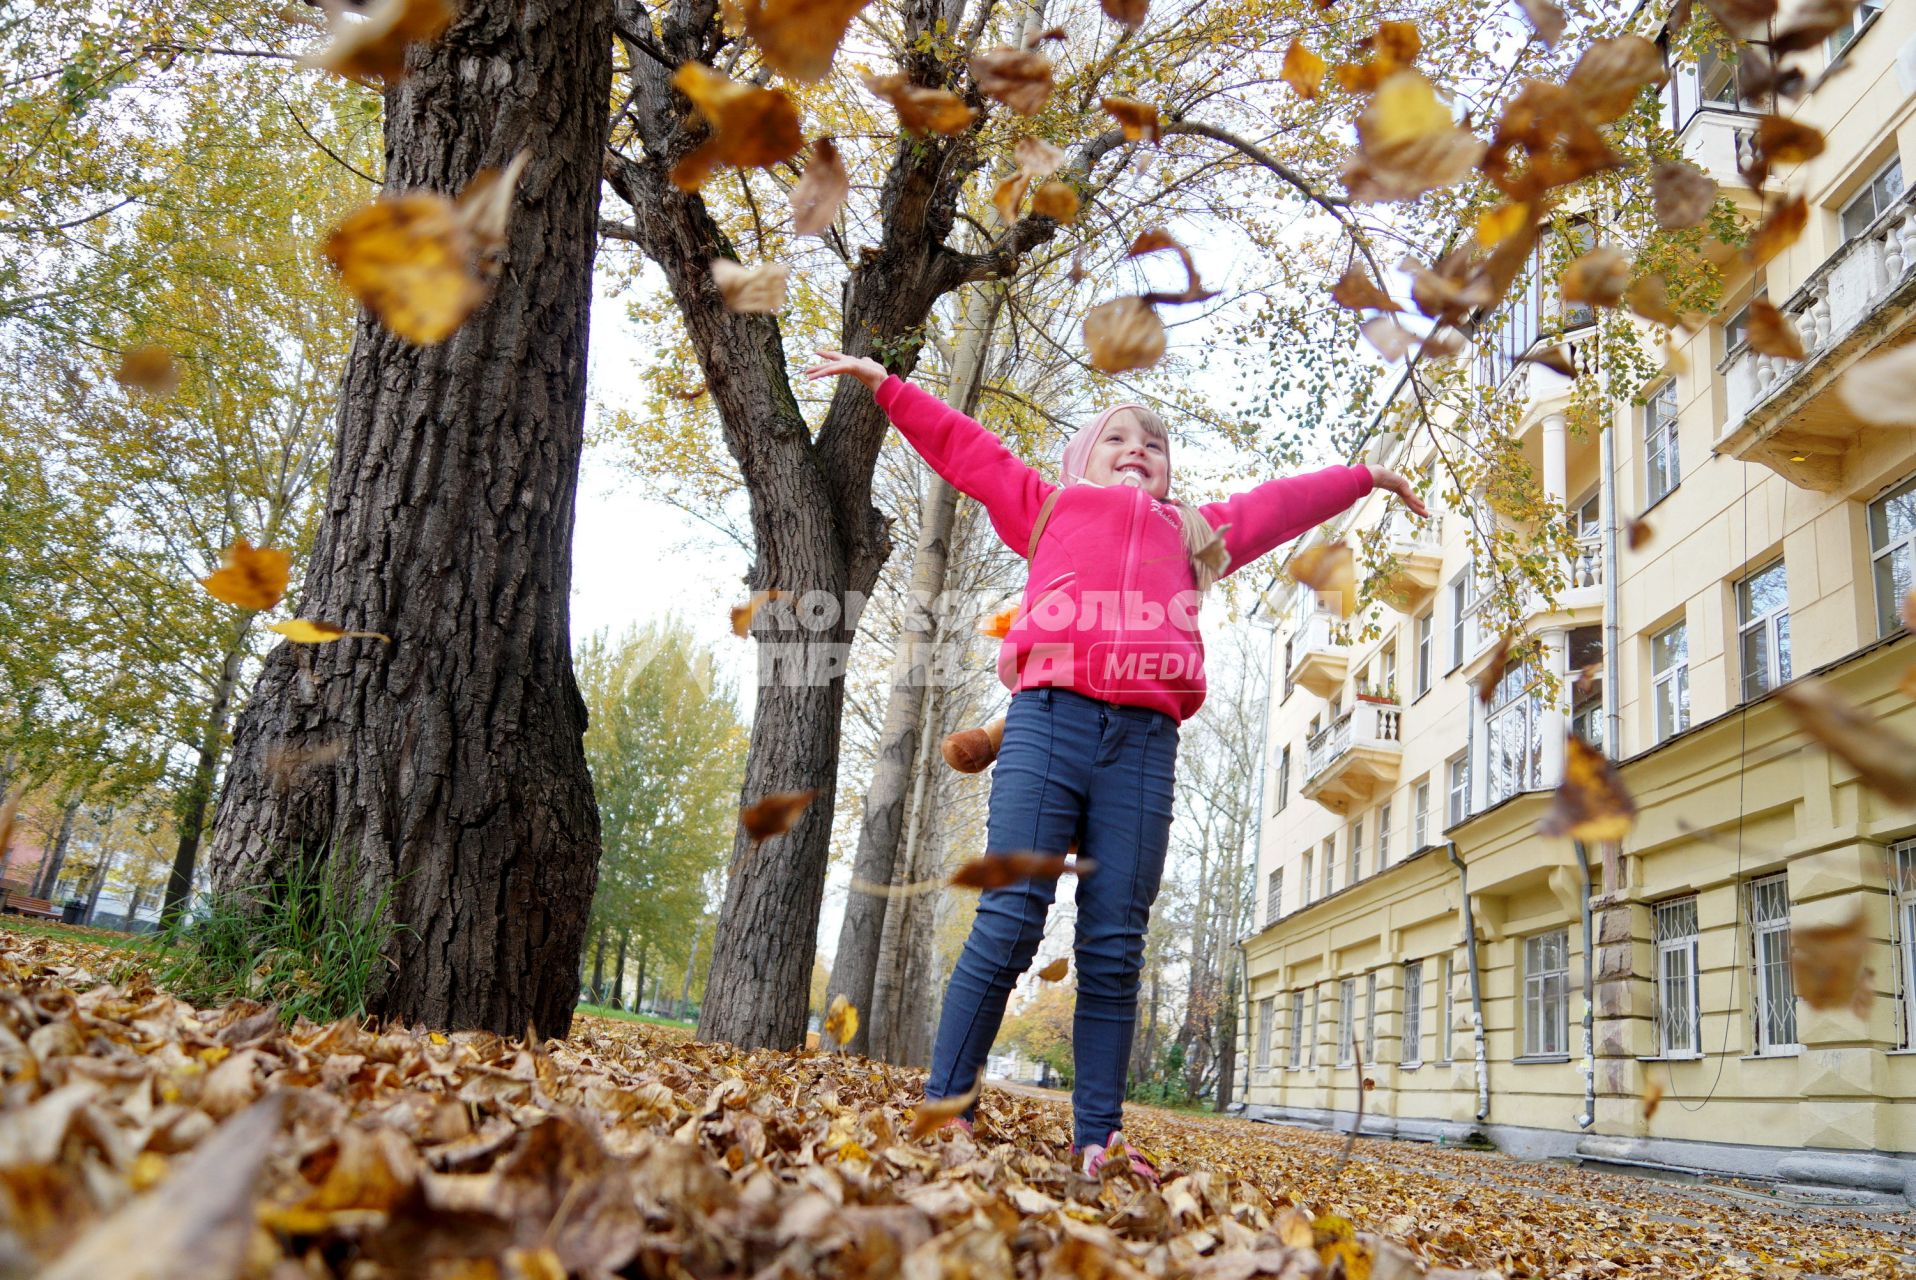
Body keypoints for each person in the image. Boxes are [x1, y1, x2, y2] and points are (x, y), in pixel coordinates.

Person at [804, 349, 1426, 1182]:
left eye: (1156, 443)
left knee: (1114, 945)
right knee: (1011, 918)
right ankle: (947, 1105)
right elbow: (964, 447)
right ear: (1078, 460)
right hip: (1047, 725)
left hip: (1142, 748)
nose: (1139, 448)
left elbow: (1278, 507)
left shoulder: (1194, 533)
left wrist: (1362, 478)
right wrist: (887, 388)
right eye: (1118, 438)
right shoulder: (1046, 505)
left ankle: (1097, 1137)